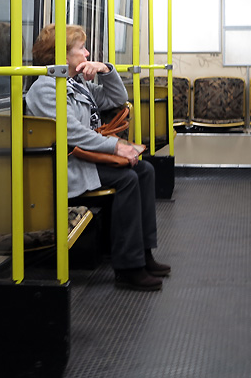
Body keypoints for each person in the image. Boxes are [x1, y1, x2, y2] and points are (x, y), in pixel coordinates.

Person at [26, 24, 170, 291]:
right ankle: (128, 267)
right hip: (68, 165)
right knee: (127, 179)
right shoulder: (44, 89)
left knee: (146, 171)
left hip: (88, 158)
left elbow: (117, 98)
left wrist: (105, 70)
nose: (87, 52)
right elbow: (73, 132)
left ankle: (144, 253)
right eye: (81, 48)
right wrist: (116, 148)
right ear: (62, 56)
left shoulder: (77, 84)